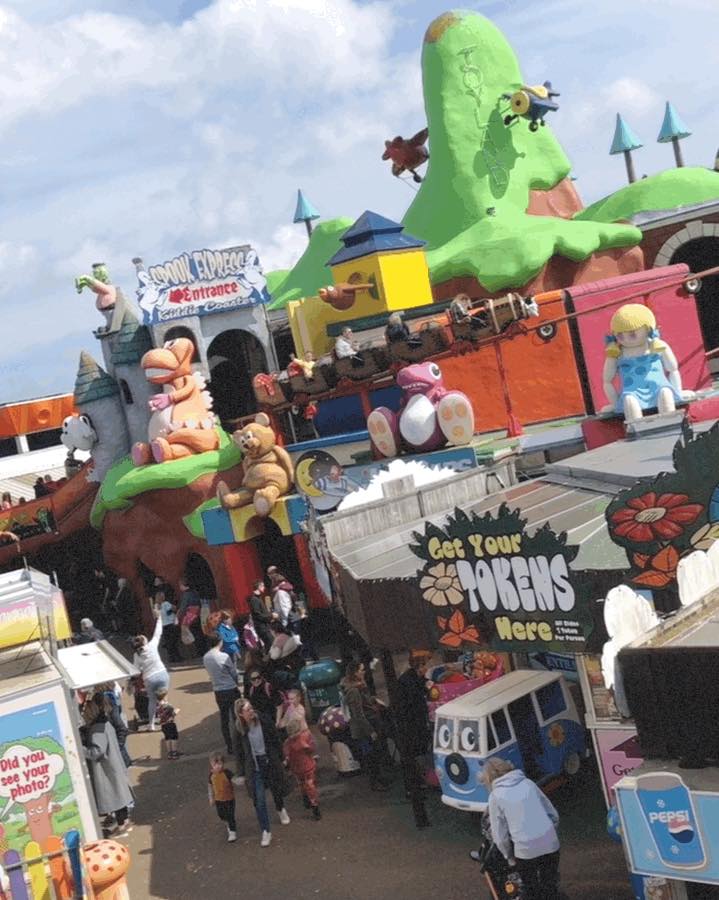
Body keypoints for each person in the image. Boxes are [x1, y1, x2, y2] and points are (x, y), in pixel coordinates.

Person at [472, 757, 561, 900]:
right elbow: (553, 815)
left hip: (525, 850)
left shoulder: (495, 796)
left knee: (531, 890)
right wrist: (548, 834)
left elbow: (499, 837)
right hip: (551, 844)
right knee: (549, 886)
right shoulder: (528, 783)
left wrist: (510, 858)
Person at [233, 699, 290, 847]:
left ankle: (280, 808)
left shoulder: (263, 720)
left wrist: (282, 757)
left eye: (251, 708)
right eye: (248, 710)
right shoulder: (239, 730)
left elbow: (275, 738)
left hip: (269, 759)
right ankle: (266, 830)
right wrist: (241, 772)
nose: (251, 711)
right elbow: (239, 753)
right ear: (241, 714)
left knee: (275, 787)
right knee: (259, 800)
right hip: (254, 766)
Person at [81, 696, 134, 837]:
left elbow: (97, 751)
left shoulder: (97, 728)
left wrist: (81, 749)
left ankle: (123, 825)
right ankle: (124, 823)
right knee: (119, 797)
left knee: (116, 797)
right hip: (113, 765)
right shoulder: (105, 723)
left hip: (106, 769)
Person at [340, 660, 391, 791]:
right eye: (361, 670)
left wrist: (373, 700)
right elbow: (358, 714)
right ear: (355, 673)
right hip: (363, 729)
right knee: (371, 755)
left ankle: (379, 777)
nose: (364, 672)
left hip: (369, 723)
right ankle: (374, 782)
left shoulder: (360, 687)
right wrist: (370, 731)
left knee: (374, 753)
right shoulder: (353, 691)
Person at [396, 651, 432, 796]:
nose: (426, 669)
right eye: (424, 665)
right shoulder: (407, 681)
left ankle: (418, 782)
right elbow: (411, 702)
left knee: (416, 753)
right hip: (409, 725)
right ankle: (413, 786)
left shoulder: (416, 678)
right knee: (412, 755)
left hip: (416, 722)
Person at [203, 633, 241, 756]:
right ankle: (239, 743)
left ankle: (229, 746)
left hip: (218, 691)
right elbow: (233, 673)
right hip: (230, 688)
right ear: (220, 642)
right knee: (236, 717)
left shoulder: (205, 657)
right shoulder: (224, 656)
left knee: (224, 719)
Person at [131, 613, 168, 731]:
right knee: (162, 697)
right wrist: (159, 619)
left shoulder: (136, 655)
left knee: (152, 701)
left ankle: (151, 725)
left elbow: (136, 671)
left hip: (149, 679)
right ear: (145, 641)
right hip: (162, 674)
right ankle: (167, 719)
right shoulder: (152, 646)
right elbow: (158, 632)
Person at [283, 718, 321, 819]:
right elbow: (312, 749)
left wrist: (286, 762)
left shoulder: (288, 742)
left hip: (298, 768)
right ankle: (314, 805)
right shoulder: (304, 738)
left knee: (304, 784)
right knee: (309, 785)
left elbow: (286, 755)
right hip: (306, 766)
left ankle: (307, 799)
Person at [97, 682, 132, 768]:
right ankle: (127, 761)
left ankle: (126, 762)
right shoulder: (113, 703)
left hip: (118, 745)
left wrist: (118, 747)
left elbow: (122, 729)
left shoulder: (112, 710)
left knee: (119, 742)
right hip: (117, 738)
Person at [207, 752, 237, 843]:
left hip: (229, 798)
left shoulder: (227, 773)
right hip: (218, 799)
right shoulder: (211, 776)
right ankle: (227, 824)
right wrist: (211, 798)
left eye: (220, 764)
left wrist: (237, 781)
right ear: (211, 764)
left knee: (230, 815)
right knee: (221, 815)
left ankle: (232, 831)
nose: (218, 766)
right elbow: (210, 787)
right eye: (215, 764)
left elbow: (233, 779)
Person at [177, 580, 208, 656]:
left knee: (194, 633)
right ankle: (204, 649)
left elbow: (184, 606)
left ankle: (199, 651)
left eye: (180, 585)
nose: (180, 587)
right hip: (197, 614)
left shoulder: (186, 594)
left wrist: (179, 615)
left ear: (184, 585)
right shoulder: (194, 592)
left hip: (189, 615)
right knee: (199, 632)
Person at [248, 580, 275, 651]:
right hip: (262, 628)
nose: (264, 588)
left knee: (270, 645)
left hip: (265, 626)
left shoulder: (258, 598)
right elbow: (258, 615)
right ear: (259, 587)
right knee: (270, 644)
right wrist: (271, 616)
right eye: (263, 586)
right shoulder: (254, 599)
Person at [158, 589, 181, 663]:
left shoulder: (157, 606)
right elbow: (170, 611)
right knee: (174, 642)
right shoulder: (166, 603)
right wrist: (175, 607)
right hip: (170, 624)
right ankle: (177, 657)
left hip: (163, 625)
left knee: (168, 643)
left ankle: (171, 658)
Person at [156, 688, 180, 759]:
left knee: (167, 738)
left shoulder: (158, 706)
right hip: (170, 723)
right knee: (174, 737)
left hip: (163, 725)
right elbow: (172, 714)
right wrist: (177, 711)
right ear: (164, 697)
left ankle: (169, 753)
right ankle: (174, 752)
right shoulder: (168, 706)